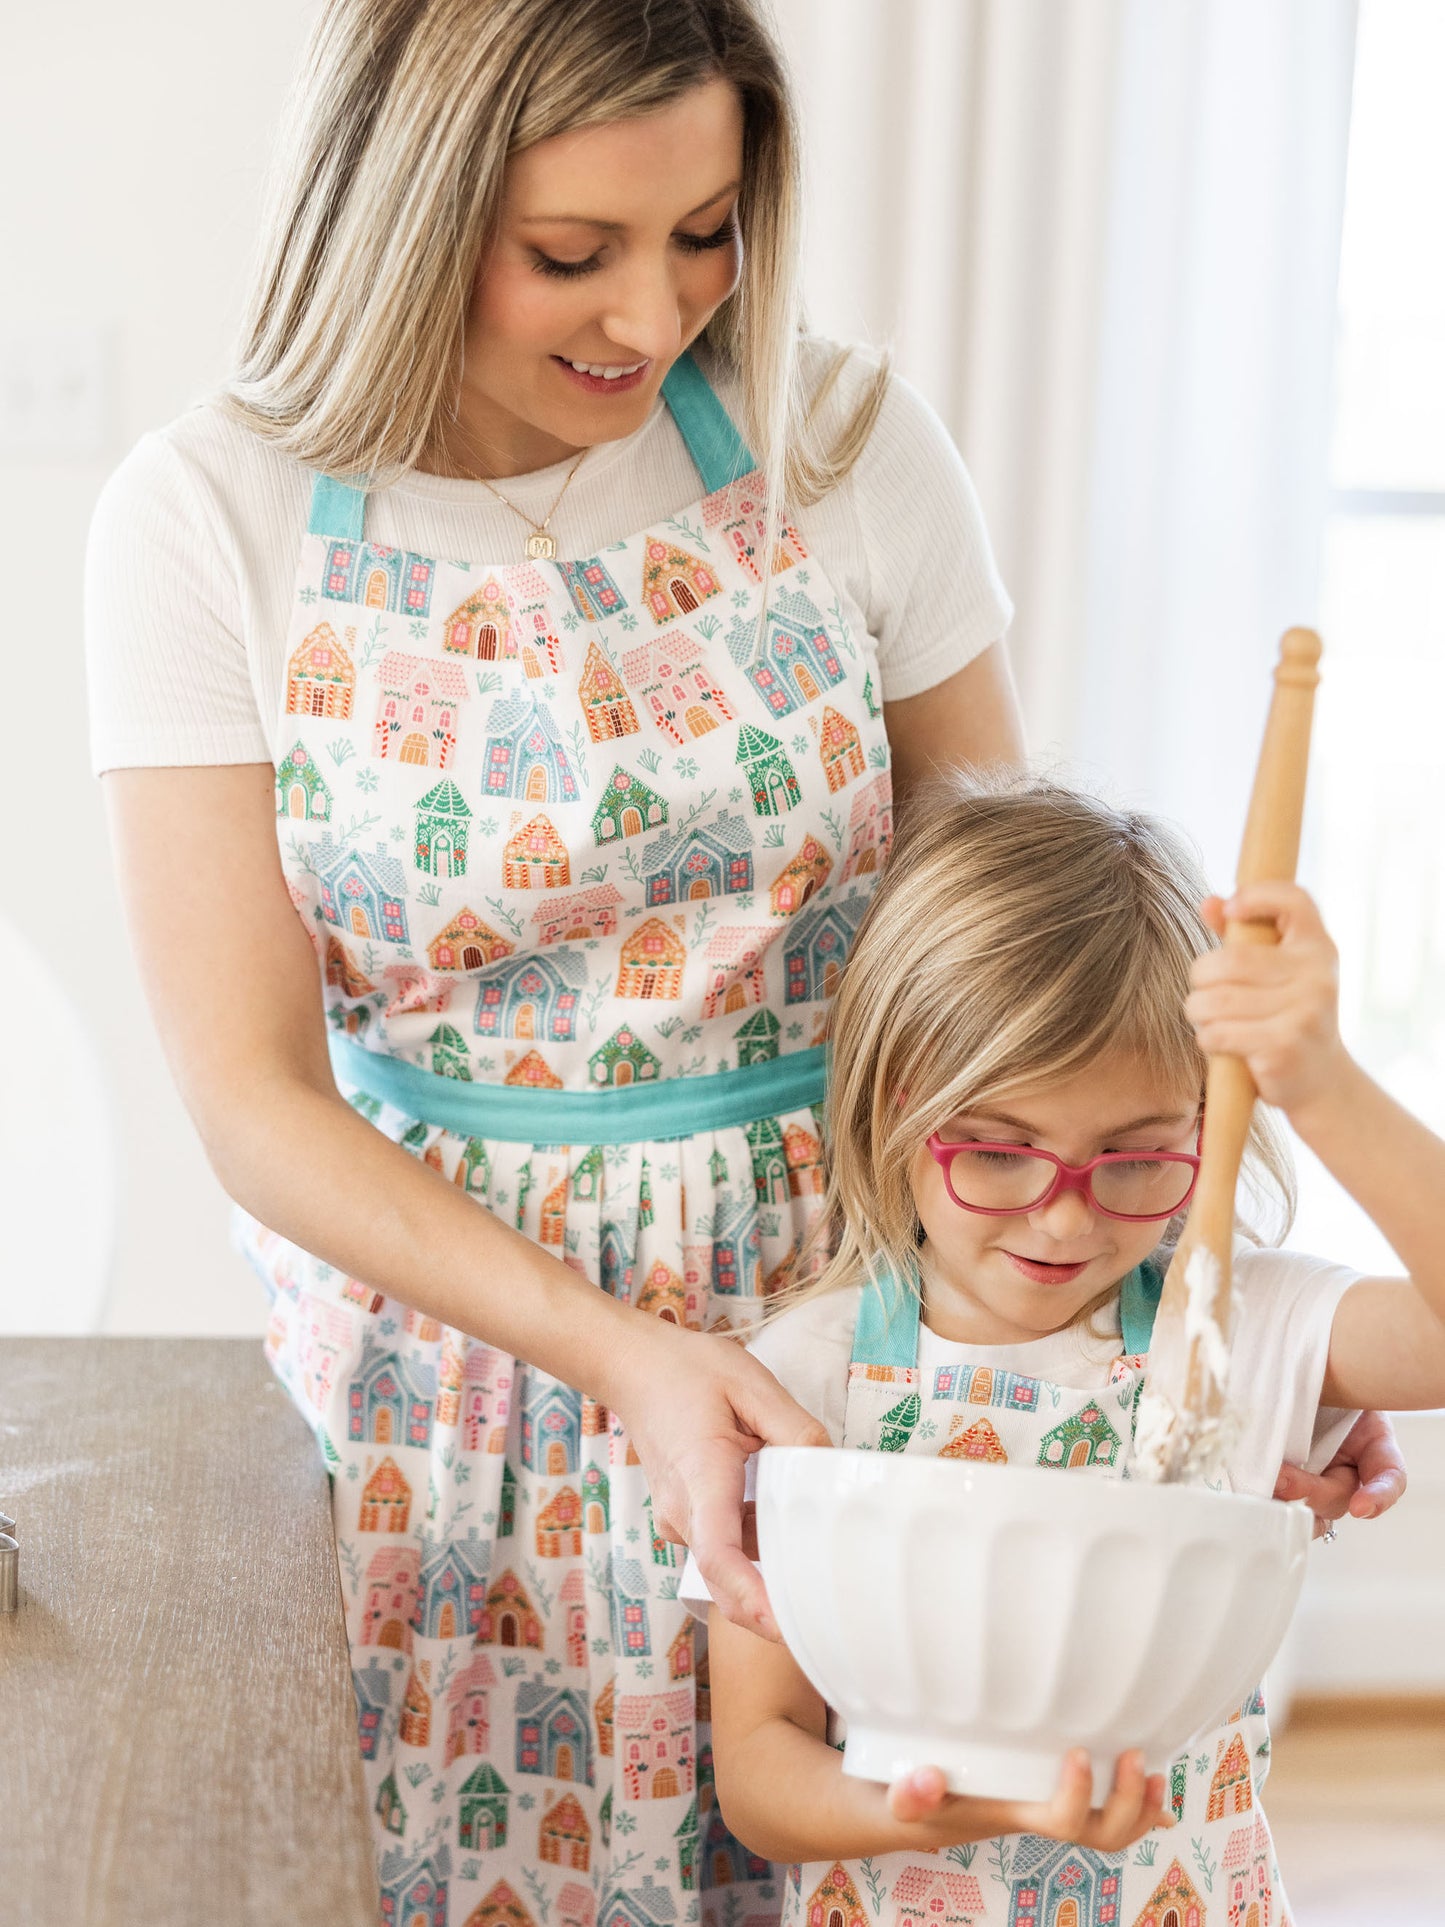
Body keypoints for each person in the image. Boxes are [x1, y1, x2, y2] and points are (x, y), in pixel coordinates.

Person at [81, 0, 1399, 1918]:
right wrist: (623, 1354)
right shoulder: (210, 520)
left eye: (706, 232)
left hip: (870, 1306)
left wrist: (1188, 1329)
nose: (657, 315)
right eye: (572, 254)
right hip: (459, 1390)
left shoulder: (843, 443)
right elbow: (253, 1096)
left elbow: (1004, 953)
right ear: (400, 210)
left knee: (902, 1845)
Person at [686, 773, 1445, 1925]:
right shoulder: (800, 1379)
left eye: (1136, 1158)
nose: (1063, 1216)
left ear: (1207, 1123)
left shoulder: (1231, 1333)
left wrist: (1324, 1087)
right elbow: (759, 1770)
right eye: (998, 1151)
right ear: (896, 1104)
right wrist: (976, 1805)